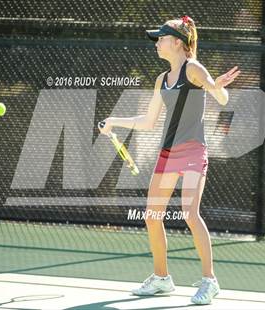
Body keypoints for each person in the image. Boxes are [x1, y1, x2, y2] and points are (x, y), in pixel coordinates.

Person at [99, 15, 240, 305]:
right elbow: (149, 121)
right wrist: (114, 121)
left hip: (192, 152)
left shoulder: (194, 68)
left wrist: (216, 86)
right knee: (152, 216)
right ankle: (162, 278)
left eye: (161, 39)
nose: (157, 43)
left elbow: (222, 99)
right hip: (167, 154)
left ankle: (209, 281)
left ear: (177, 43)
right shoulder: (162, 80)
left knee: (190, 214)